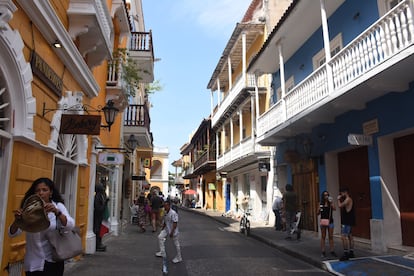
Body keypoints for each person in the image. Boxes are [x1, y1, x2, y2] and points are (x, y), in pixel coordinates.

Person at [9, 177, 75, 276]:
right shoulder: (28, 209)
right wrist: (17, 221)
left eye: (44, 190)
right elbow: (12, 234)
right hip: (33, 262)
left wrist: (57, 212)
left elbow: (70, 225)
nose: (41, 193)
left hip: (53, 260)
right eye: (38, 190)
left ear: (50, 192)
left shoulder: (58, 206)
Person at [155, 200, 182, 265]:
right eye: (164, 205)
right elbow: (165, 221)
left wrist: (172, 232)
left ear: (169, 205)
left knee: (176, 244)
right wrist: (162, 228)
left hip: (173, 230)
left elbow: (175, 223)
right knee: (160, 237)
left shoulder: (173, 213)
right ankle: (162, 252)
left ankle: (179, 257)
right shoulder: (165, 212)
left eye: (166, 205)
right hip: (167, 229)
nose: (165, 207)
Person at [337, 187, 356, 261]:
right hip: (349, 220)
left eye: (341, 193)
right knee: (350, 236)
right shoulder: (348, 199)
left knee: (343, 236)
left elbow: (340, 206)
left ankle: (346, 253)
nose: (341, 194)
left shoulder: (348, 199)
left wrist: (338, 199)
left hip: (347, 221)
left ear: (345, 192)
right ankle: (351, 252)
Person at [318, 191, 337, 258]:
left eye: (327, 195)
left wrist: (331, 203)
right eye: (325, 195)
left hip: (330, 221)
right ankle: (323, 251)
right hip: (323, 221)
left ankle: (332, 250)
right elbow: (317, 213)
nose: (326, 196)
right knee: (323, 236)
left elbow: (335, 209)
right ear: (323, 196)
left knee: (331, 236)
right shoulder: (320, 203)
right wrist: (319, 209)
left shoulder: (330, 203)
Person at [94, 182, 108, 252]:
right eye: (102, 187)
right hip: (97, 217)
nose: (103, 188)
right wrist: (105, 204)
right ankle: (97, 244)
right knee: (97, 230)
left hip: (100, 217)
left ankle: (99, 244)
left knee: (99, 230)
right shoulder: (97, 196)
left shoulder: (101, 195)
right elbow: (98, 208)